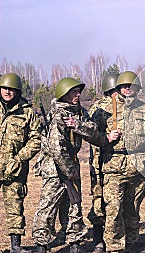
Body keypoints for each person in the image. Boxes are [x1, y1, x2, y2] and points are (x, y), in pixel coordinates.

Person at [32, 77, 120, 253]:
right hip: (55, 169)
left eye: (78, 91)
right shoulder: (59, 115)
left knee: (74, 205)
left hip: (71, 165)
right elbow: (56, 149)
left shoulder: (79, 113)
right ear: (64, 94)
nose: (78, 94)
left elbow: (93, 131)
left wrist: (102, 137)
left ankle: (75, 242)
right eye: (74, 92)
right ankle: (41, 244)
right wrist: (70, 171)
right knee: (48, 207)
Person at [100, 71, 145, 253]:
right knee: (114, 211)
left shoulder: (144, 109)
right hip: (114, 167)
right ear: (118, 87)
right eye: (124, 85)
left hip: (138, 167)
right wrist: (106, 137)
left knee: (133, 209)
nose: (127, 88)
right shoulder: (105, 109)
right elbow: (94, 137)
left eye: (131, 85)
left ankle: (132, 243)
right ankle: (115, 247)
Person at [0, 73, 41, 253]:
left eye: (11, 89)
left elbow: (36, 139)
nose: (7, 92)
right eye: (4, 88)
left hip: (14, 168)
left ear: (17, 91)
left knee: (15, 205)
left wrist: (19, 158)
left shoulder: (27, 112)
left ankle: (15, 245)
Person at [87, 71, 120, 253]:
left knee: (115, 203)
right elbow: (92, 134)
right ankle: (98, 239)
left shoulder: (124, 107)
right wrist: (106, 137)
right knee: (98, 201)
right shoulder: (97, 109)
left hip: (115, 163)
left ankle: (113, 238)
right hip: (99, 163)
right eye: (118, 89)